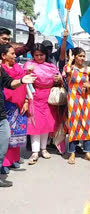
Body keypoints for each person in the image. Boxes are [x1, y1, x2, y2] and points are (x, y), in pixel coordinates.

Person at [0, 46, 36, 187]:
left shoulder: (8, 70)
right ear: (3, 55)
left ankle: (12, 160)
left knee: (13, 135)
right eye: (12, 53)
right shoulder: (3, 67)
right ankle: (4, 164)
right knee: (5, 140)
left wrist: (25, 98)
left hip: (16, 105)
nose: (15, 56)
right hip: (8, 105)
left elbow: (11, 83)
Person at [24, 44, 62, 165]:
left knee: (46, 124)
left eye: (42, 55)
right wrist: (27, 73)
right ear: (32, 55)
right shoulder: (28, 65)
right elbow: (23, 80)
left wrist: (58, 79)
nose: (39, 57)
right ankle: (35, 151)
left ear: (46, 55)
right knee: (35, 124)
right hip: (33, 96)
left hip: (48, 98)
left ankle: (44, 149)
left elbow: (59, 77)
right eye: (36, 55)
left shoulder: (51, 66)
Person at [64, 48, 90, 164]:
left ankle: (87, 152)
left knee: (88, 124)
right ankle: (72, 152)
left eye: (84, 56)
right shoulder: (70, 68)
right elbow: (65, 72)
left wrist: (89, 85)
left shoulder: (88, 70)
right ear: (75, 57)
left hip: (86, 100)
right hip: (73, 100)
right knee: (74, 125)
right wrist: (70, 60)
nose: (82, 58)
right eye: (80, 56)